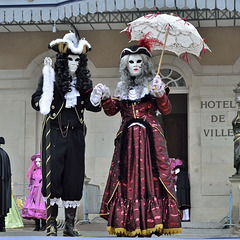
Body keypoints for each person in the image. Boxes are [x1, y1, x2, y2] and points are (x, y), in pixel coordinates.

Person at [95, 40, 182, 237]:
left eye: (139, 62)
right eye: (131, 62)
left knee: (152, 177)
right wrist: (105, 98)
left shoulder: (154, 84)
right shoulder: (121, 87)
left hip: (150, 139)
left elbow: (166, 110)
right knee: (125, 178)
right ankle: (127, 223)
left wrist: (160, 94)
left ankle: (150, 221)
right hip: (126, 141)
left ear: (146, 64)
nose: (135, 65)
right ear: (125, 65)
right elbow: (111, 111)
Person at [31, 27, 101, 236]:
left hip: (76, 134)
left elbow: (92, 105)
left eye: (77, 60)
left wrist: (97, 95)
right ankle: (52, 223)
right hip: (54, 131)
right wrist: (45, 97)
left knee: (74, 176)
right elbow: (36, 100)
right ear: (63, 61)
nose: (74, 63)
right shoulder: (50, 77)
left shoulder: (83, 83)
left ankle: (70, 225)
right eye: (70, 59)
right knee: (53, 175)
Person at [22, 152, 47, 231]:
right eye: (36, 162)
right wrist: (30, 187)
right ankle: (37, 225)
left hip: (41, 192)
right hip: (34, 191)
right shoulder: (34, 171)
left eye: (39, 162)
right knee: (34, 208)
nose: (38, 163)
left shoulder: (44, 172)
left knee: (42, 207)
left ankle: (44, 225)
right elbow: (31, 181)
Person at [0, 137, 11, 232]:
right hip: (3, 185)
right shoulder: (5, 154)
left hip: (2, 183)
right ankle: (2, 226)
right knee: (2, 205)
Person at [232, 109, 240, 176]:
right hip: (237, 143)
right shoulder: (235, 129)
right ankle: (237, 170)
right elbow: (232, 122)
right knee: (237, 157)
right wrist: (237, 116)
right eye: (237, 124)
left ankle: (238, 171)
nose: (238, 125)